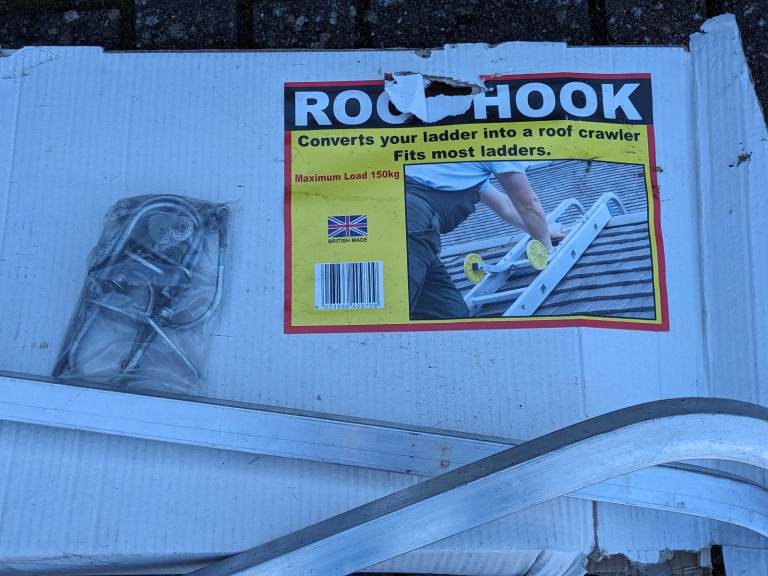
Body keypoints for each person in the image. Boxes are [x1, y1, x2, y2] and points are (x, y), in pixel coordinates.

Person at [406, 161, 563, 320]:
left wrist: (545, 231)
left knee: (451, 315)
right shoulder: (496, 149)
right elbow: (528, 203)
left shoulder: (465, 170)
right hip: (411, 224)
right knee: (398, 305)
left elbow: (506, 206)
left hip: (418, 231)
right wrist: (548, 250)